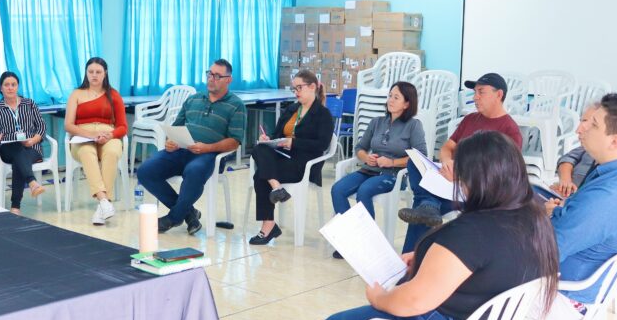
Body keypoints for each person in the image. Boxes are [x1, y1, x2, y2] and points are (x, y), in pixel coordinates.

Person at [294, 131, 559, 320]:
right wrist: (424, 258)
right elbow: (480, 268)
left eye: (457, 170)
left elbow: (412, 303)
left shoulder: (472, 231)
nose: (451, 175)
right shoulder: (533, 218)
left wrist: (379, 298)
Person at [540, 93, 617, 320]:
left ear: (614, 141)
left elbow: (544, 253)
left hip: (566, 296)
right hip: (584, 284)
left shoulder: (608, 196)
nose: (580, 130)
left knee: (468, 271)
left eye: (593, 125)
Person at [398, 72, 523, 253]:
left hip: (472, 193)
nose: (475, 97)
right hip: (448, 181)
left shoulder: (510, 131)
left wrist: (461, 178)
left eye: (481, 92)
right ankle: (429, 206)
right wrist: (447, 161)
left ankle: (408, 264)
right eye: (474, 92)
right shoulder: (470, 119)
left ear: (499, 95)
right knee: (414, 163)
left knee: (421, 209)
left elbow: (499, 177)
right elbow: (447, 147)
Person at [136, 59, 246, 235]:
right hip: (180, 150)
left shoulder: (236, 105)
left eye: (218, 76)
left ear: (228, 80)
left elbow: (235, 141)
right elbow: (175, 127)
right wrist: (170, 141)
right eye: (210, 74)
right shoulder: (193, 99)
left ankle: (173, 218)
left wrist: (207, 148)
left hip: (209, 155)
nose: (212, 78)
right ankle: (189, 214)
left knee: (194, 171)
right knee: (145, 171)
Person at [330, 82, 427, 257]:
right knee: (337, 189)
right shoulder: (377, 122)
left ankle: (368, 244)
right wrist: (365, 157)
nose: (390, 100)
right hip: (368, 170)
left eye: (396, 97)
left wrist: (392, 162)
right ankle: (349, 241)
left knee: (364, 191)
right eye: (390, 95)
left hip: (393, 175)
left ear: (407, 103)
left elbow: (420, 157)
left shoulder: (414, 125)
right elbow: (360, 147)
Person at [248, 69, 334, 245]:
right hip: (282, 157)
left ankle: (268, 226)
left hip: (304, 163)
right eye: (294, 89)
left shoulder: (323, 114)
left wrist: (293, 143)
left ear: (312, 87)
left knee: (260, 175)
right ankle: (276, 187)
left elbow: (322, 145)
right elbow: (276, 133)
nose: (296, 93)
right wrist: (268, 139)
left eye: (299, 88)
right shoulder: (292, 109)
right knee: (259, 148)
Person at [64, 57, 128, 225]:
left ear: (105, 73)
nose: (94, 75)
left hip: (108, 135)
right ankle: (104, 200)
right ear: (86, 73)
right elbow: (68, 125)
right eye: (91, 72)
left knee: (113, 152)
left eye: (98, 72)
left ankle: (102, 208)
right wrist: (89, 135)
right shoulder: (76, 94)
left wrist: (110, 135)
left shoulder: (113, 94)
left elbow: (122, 126)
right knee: (87, 152)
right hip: (82, 136)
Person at [0, 71, 48, 215]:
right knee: (16, 148)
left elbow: (42, 127)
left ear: (17, 87)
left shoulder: (29, 104)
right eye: (6, 85)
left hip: (32, 147)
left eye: (13, 85)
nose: (10, 88)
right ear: (1, 88)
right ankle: (32, 182)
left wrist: (33, 140)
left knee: (20, 160)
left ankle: (15, 207)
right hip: (8, 149)